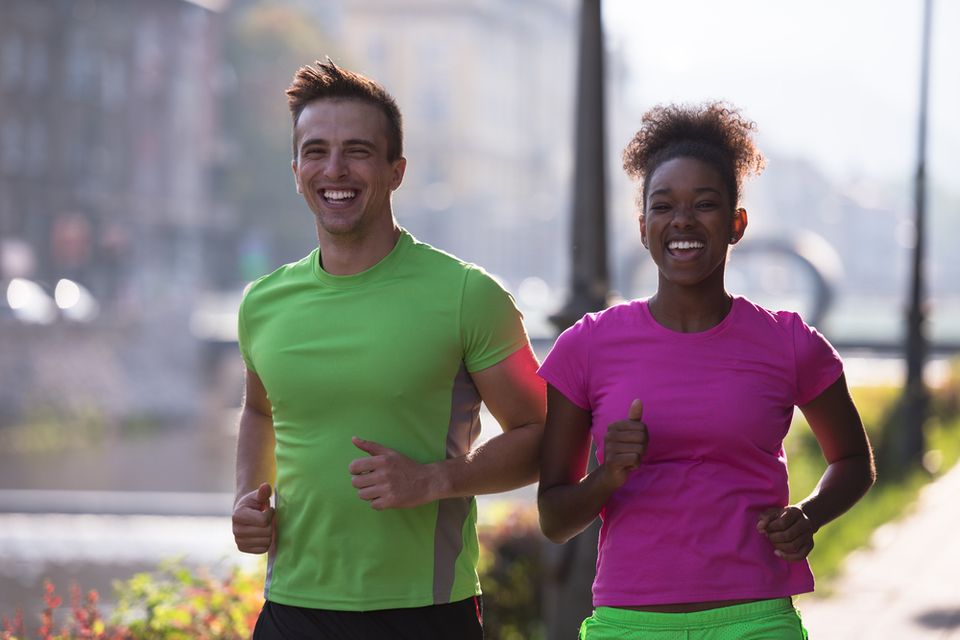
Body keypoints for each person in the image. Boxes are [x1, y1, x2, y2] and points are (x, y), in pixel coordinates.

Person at [231, 59, 546, 639]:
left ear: (396, 170)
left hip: (424, 615)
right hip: (291, 611)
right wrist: (248, 500)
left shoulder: (466, 295)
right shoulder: (262, 303)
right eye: (316, 150)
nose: (334, 169)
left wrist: (435, 480)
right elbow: (258, 410)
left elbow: (541, 433)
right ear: (295, 168)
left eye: (357, 150)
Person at [537, 102, 875, 639]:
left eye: (706, 204)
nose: (683, 221)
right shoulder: (587, 346)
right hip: (630, 623)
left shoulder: (789, 343)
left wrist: (809, 515)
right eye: (664, 205)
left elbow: (854, 460)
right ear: (643, 225)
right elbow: (554, 519)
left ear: (737, 223)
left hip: (756, 618)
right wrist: (607, 474)